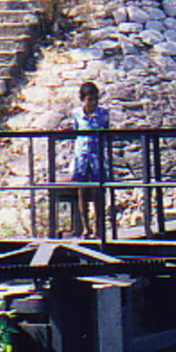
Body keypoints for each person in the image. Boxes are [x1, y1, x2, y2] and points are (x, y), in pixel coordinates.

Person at [67, 81, 110, 237]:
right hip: (82, 156)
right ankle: (86, 227)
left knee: (98, 191)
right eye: (89, 99)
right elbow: (75, 131)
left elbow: (106, 131)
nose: (92, 103)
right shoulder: (77, 114)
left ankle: (99, 225)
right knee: (83, 191)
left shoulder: (103, 114)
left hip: (97, 156)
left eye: (95, 99)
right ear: (83, 99)